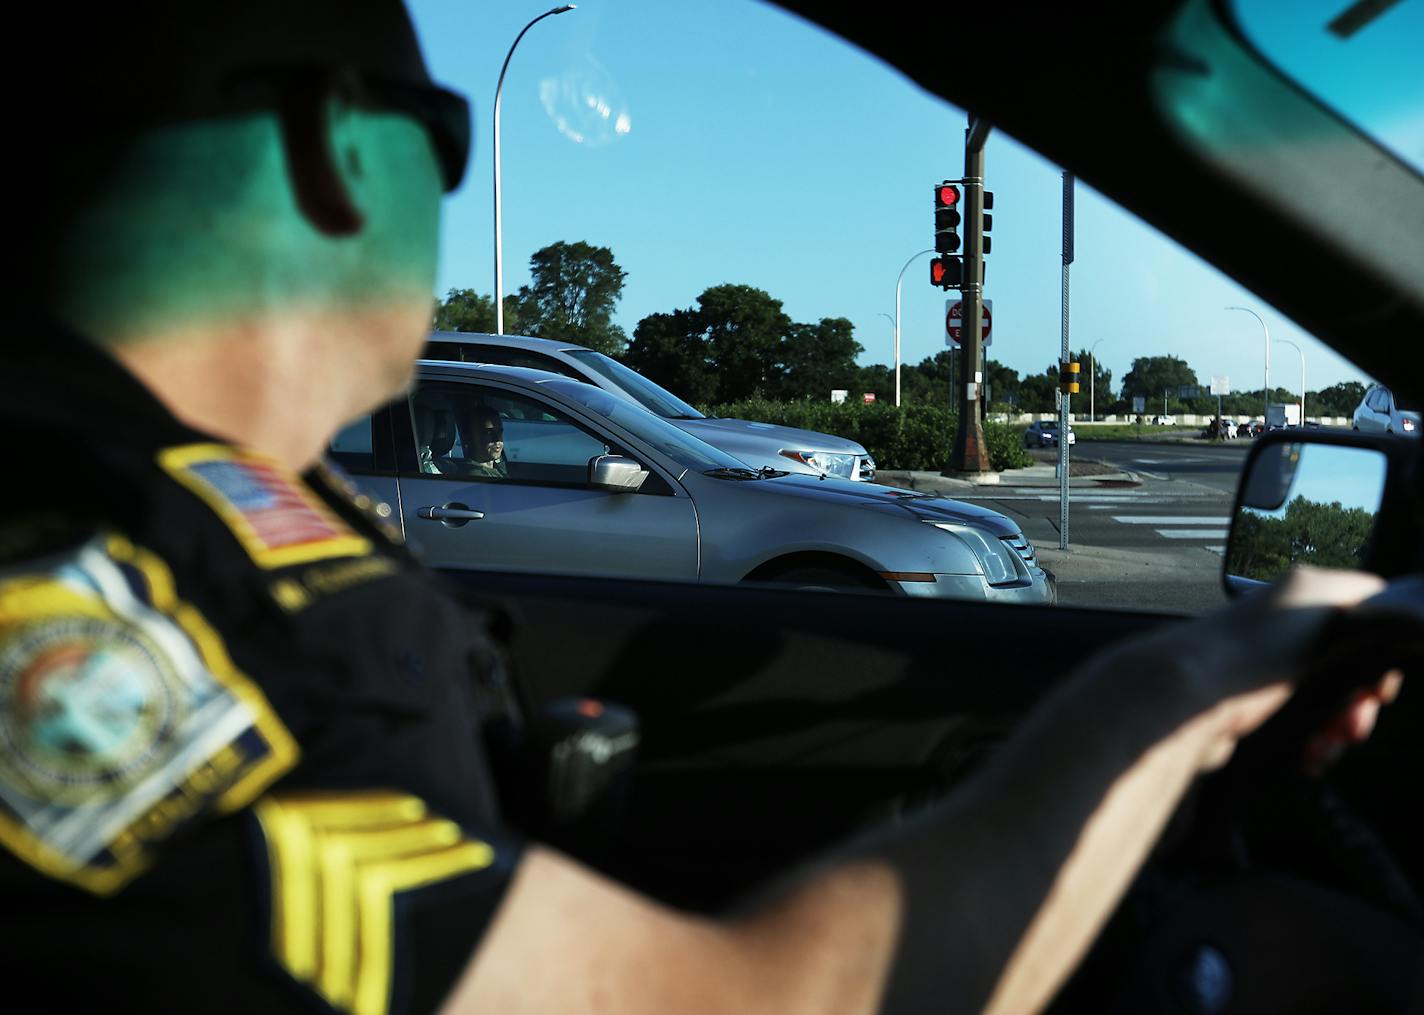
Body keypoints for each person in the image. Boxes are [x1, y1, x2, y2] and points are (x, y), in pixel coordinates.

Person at [0, 4, 1417, 1013]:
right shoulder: (78, 584)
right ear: (334, 144)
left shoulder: (208, 508)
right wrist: (1184, 679)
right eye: (444, 142)